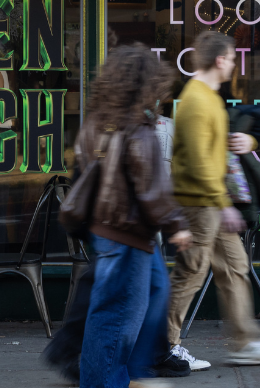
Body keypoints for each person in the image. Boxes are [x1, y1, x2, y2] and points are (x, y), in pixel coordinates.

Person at [165, 32, 260, 368]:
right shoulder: (196, 100)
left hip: (210, 201)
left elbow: (216, 149)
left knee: (235, 267)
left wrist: (248, 139)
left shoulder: (208, 98)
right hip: (200, 204)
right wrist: (223, 204)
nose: (235, 66)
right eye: (233, 59)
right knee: (190, 274)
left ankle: (244, 344)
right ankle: (164, 346)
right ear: (220, 60)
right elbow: (198, 162)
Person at [76, 44, 193, 388]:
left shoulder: (96, 122)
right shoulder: (140, 130)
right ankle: (108, 381)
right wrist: (177, 226)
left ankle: (135, 373)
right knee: (116, 318)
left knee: (150, 294)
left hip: (108, 230)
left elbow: (86, 167)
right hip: (129, 234)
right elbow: (152, 189)